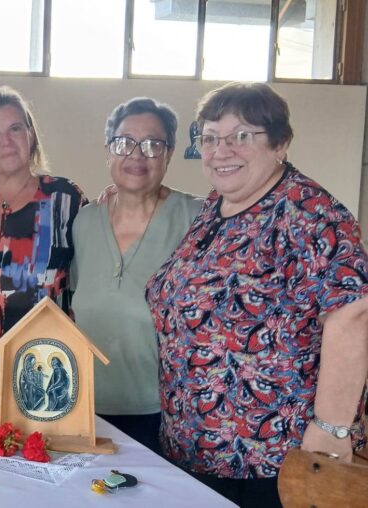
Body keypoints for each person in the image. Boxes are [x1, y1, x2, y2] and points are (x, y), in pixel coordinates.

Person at [145, 82, 368, 507]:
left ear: (280, 142)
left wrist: (332, 427)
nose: (220, 150)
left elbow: (354, 312)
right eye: (209, 138)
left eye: (241, 136)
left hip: (271, 460)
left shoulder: (309, 212)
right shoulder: (217, 207)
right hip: (196, 447)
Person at [71, 97, 203, 453]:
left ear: (169, 153)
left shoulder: (197, 219)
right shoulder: (84, 222)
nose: (137, 154)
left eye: (152, 144)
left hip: (165, 414)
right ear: (108, 151)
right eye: (124, 142)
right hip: (83, 408)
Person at [0, 86, 87, 355]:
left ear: (31, 135)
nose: (6, 141)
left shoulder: (66, 198)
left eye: (15, 129)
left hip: (48, 357)